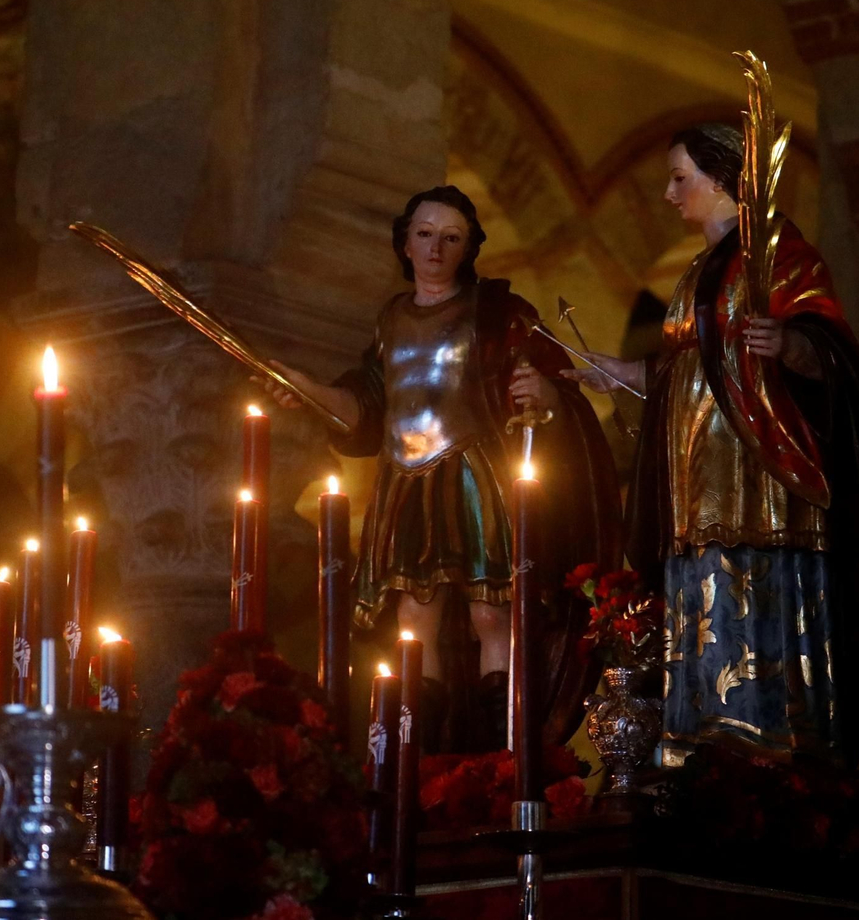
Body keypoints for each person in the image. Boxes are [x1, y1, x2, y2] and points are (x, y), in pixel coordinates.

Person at [564, 126, 859, 767]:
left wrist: (792, 345)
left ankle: (763, 741)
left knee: (753, 587)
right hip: (693, 474)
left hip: (758, 473)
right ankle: (697, 736)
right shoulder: (696, 273)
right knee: (699, 589)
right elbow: (688, 367)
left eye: (680, 177)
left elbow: (829, 350)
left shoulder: (782, 255)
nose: (667, 192)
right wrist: (620, 373)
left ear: (724, 182)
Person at [260, 185, 619, 752]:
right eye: (425, 235)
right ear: (404, 243)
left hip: (477, 473)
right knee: (413, 618)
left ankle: (504, 752)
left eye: (451, 238)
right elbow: (368, 406)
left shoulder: (499, 314)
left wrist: (545, 394)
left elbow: (553, 381)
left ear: (469, 248)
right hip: (405, 478)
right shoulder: (391, 320)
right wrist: (307, 391)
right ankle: (420, 753)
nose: (435, 248)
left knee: (490, 613)